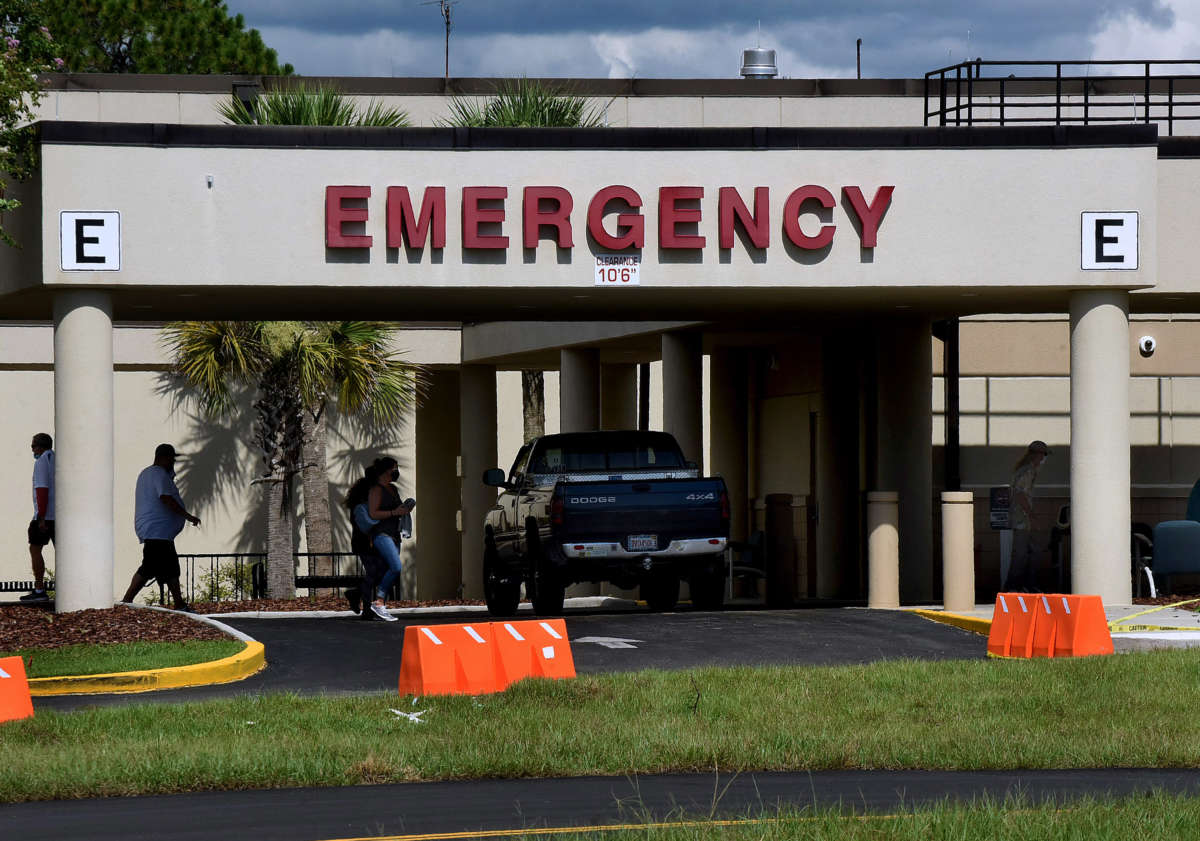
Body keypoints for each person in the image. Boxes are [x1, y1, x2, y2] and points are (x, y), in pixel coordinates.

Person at [121, 444, 201, 611]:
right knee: (156, 567)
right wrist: (188, 516)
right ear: (163, 457)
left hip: (157, 532)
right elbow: (165, 498)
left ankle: (177, 603)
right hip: (157, 531)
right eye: (172, 458)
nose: (173, 462)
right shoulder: (158, 474)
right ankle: (127, 601)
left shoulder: (147, 474)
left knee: (161, 567)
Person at [343, 456, 413, 622]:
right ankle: (367, 607)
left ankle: (361, 597)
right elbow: (365, 521)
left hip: (376, 538)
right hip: (367, 541)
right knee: (375, 573)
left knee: (380, 573)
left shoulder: (384, 489)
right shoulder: (366, 494)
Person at [1004, 440, 1050, 592]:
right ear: (1036, 455)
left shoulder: (1024, 470)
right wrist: (1031, 515)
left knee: (1031, 552)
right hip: (1022, 520)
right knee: (1021, 555)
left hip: (1022, 519)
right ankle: (1012, 587)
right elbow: (1020, 495)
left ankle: (1027, 585)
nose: (1044, 459)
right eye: (1043, 455)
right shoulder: (1027, 471)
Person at [20, 433, 55, 603]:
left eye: (33, 446)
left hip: (45, 515)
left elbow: (42, 489)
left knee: (35, 549)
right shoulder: (55, 459)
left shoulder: (42, 462)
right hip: (58, 514)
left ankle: (39, 589)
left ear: (40, 447)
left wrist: (41, 516)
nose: (32, 449)